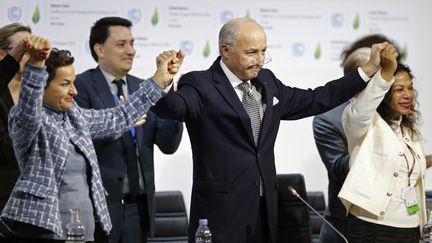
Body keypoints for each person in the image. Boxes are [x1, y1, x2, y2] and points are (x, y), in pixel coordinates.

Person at [152, 17, 389, 243]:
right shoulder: (201, 83)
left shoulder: (267, 81)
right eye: (251, 52)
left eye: (263, 51)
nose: (260, 60)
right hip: (220, 213)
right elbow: (173, 109)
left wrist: (366, 71)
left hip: (265, 210)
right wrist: (161, 84)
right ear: (225, 50)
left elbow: (317, 98)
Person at [0, 35, 182, 242]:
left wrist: (159, 80)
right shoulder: (26, 118)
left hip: (84, 230)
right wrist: (37, 66)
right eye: (65, 84)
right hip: (41, 231)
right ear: (42, 85)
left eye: (74, 82)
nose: (74, 91)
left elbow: (118, 117)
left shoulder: (73, 115)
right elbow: (29, 108)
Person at [73, 16, 184, 243]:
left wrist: (170, 94)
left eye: (132, 43)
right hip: (100, 207)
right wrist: (120, 120)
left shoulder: (144, 88)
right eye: (121, 44)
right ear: (99, 49)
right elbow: (82, 139)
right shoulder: (79, 87)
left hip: (140, 208)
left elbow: (168, 144)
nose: (130, 50)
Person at [312, 34, 398, 243]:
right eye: (381, 75)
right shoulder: (328, 118)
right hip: (345, 226)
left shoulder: (393, 113)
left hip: (391, 222)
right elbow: (339, 167)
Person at [338, 49, 428, 243]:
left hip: (411, 228)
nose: (408, 95)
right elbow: (363, 108)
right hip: (372, 228)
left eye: (410, 88)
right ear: (384, 93)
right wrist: (386, 72)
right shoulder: (363, 123)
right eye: (399, 89)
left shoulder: (409, 131)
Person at [0, 23, 31, 212]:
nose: (29, 56)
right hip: (5, 196)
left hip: (37, 196)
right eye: (23, 50)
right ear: (2, 54)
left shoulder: (40, 91)